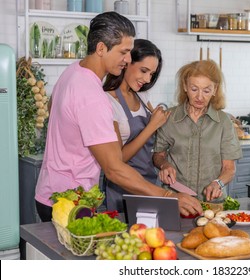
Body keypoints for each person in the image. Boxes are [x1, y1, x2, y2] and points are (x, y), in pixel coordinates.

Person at [34, 12, 202, 222]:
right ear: (101, 48)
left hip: (51, 192)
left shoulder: (72, 72)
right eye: (124, 52)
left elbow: (53, 109)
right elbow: (114, 168)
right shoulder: (93, 96)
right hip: (70, 202)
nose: (128, 59)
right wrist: (169, 196)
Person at [152, 59, 242, 202]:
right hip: (177, 199)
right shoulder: (169, 118)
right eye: (194, 89)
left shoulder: (224, 122)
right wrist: (164, 165)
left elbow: (229, 169)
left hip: (212, 203)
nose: (200, 97)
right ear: (185, 86)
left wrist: (217, 183)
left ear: (215, 89)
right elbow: (158, 155)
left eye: (206, 90)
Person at [102, 39, 170, 212]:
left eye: (151, 74)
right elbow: (118, 160)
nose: (147, 79)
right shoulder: (108, 101)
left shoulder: (143, 96)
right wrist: (151, 126)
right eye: (144, 70)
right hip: (122, 188)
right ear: (127, 62)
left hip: (148, 183)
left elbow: (156, 138)